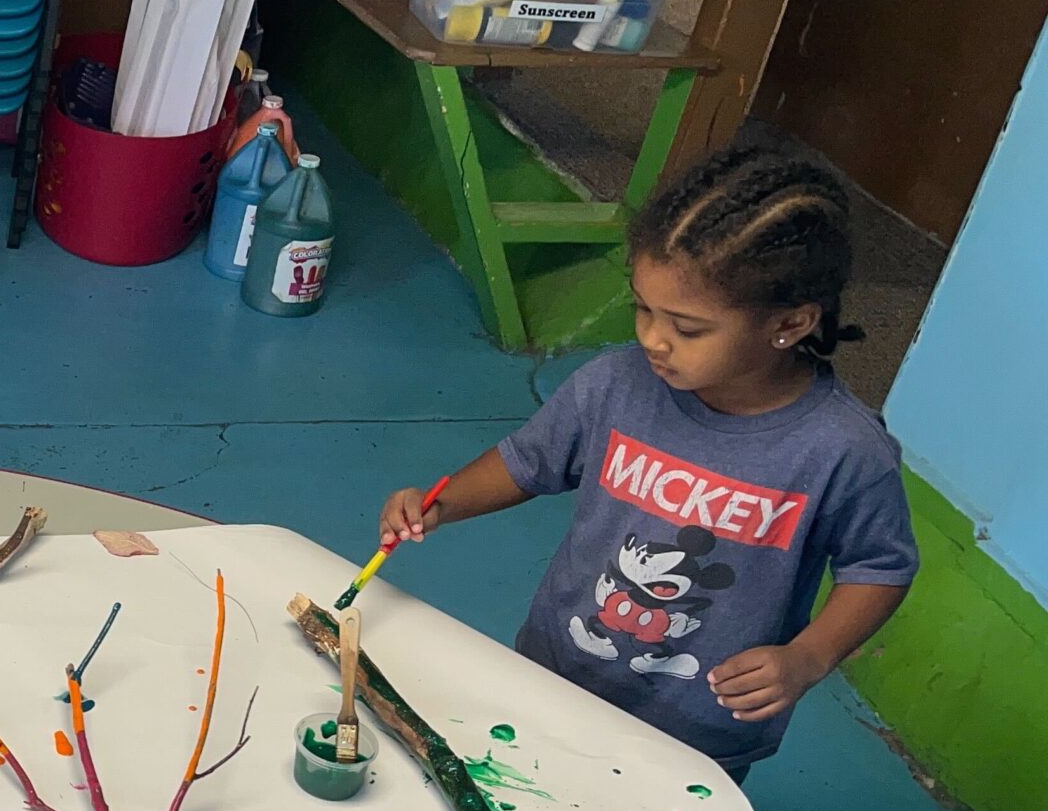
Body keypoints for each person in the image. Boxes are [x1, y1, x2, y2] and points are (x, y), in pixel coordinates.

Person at [368, 148, 916, 779]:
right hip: (557, 671)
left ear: (789, 323)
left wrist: (809, 658)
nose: (653, 338)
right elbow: (527, 462)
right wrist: (440, 503)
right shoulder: (616, 384)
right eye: (643, 308)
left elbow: (879, 568)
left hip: (697, 726)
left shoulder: (843, 449)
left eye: (686, 327)